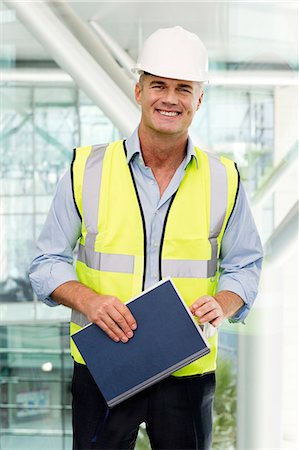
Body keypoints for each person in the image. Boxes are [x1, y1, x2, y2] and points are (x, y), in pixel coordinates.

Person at [29, 26, 263, 450]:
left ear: (199, 99)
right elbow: (46, 263)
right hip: (105, 366)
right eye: (158, 85)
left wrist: (223, 303)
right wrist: (89, 301)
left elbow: (245, 266)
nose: (170, 99)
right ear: (138, 91)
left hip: (186, 372)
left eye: (183, 89)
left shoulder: (223, 178)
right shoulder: (87, 170)